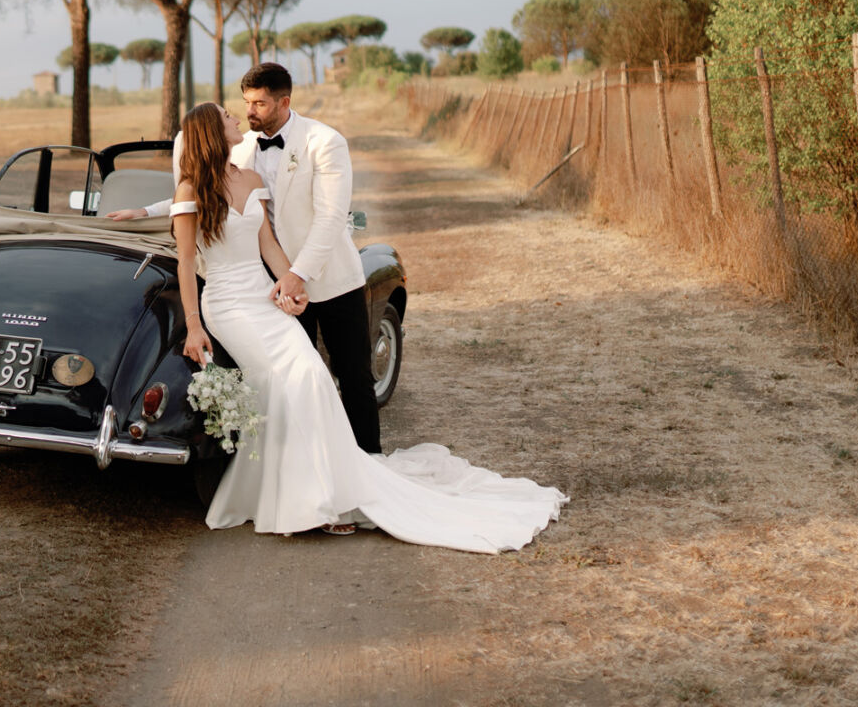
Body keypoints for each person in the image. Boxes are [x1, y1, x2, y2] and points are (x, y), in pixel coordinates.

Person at [170, 102, 566, 550]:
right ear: (209, 132)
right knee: (290, 382)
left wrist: (288, 284)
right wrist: (194, 326)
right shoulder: (191, 190)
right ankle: (301, 502)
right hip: (227, 305)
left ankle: (320, 492)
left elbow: (269, 244)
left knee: (311, 375)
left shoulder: (251, 180)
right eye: (227, 117)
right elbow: (187, 264)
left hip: (264, 300)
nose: (236, 119)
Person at [109, 62, 382, 452]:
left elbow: (331, 219)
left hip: (327, 278)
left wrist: (297, 274)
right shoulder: (247, 146)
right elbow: (203, 189)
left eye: (258, 103)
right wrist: (147, 212)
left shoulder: (324, 141)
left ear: (284, 102)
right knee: (290, 384)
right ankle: (302, 464)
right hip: (274, 288)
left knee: (353, 376)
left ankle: (368, 459)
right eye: (244, 103)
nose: (248, 112)